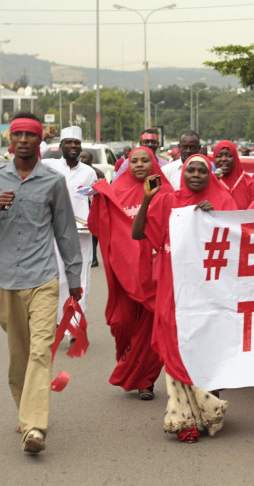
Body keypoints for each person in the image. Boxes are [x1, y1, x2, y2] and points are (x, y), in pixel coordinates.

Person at [0, 112, 83, 454]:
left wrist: (74, 278)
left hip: (43, 277)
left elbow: (65, 231)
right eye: (16, 134)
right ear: (9, 140)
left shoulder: (52, 181)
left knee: (40, 351)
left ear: (39, 141)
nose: (22, 140)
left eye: (29, 135)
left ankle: (34, 428)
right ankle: (26, 409)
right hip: (6, 280)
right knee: (18, 354)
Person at [132, 154, 236, 442]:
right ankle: (184, 415)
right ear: (183, 172)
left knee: (206, 346)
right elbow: (138, 232)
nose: (195, 175)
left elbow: (237, 243)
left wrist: (214, 217)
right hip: (173, 287)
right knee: (175, 347)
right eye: (190, 169)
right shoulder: (168, 201)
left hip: (209, 290)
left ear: (210, 175)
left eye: (202, 170)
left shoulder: (223, 202)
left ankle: (205, 407)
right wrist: (146, 199)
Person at [88, 147, 173, 400]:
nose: (139, 165)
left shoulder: (166, 191)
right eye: (134, 161)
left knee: (150, 329)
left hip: (155, 274)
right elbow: (98, 226)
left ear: (153, 163)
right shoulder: (116, 191)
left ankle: (145, 380)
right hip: (124, 273)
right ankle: (129, 363)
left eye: (144, 160)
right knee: (122, 321)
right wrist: (99, 200)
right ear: (128, 164)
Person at [41, 126, 97, 342]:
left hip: (82, 234)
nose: (73, 146)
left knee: (81, 278)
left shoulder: (89, 172)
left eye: (77, 143)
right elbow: (31, 158)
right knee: (60, 279)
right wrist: (44, 138)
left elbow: (95, 203)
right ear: (61, 146)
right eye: (69, 142)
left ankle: (76, 326)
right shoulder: (50, 166)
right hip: (55, 232)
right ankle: (60, 320)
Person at [212, 140, 254, 209]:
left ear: (235, 158)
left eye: (228, 156)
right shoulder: (209, 183)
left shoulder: (250, 184)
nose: (223, 159)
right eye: (219, 156)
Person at [79, 150, 105, 267]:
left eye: (84, 157)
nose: (81, 159)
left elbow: (101, 189)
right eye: (80, 157)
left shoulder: (97, 173)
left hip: (93, 207)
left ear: (90, 160)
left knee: (93, 235)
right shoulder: (78, 171)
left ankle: (94, 258)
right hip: (81, 207)